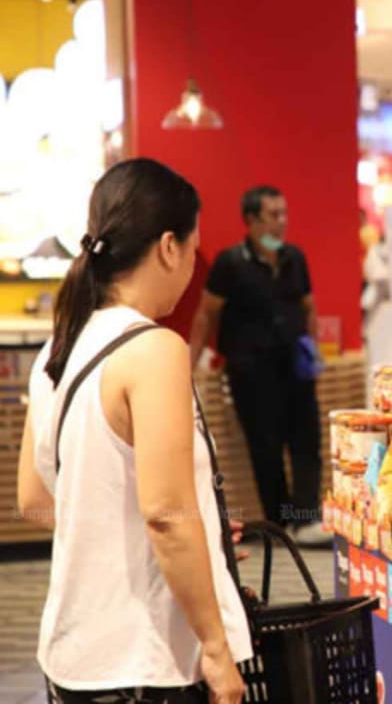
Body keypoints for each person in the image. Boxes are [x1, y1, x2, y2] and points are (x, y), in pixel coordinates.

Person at [17, 159, 250, 704]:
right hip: (147, 662)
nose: (193, 263)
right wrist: (216, 649)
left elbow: (34, 498)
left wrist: (197, 533)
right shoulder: (155, 350)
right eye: (193, 248)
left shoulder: (61, 347)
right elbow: (166, 515)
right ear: (169, 246)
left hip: (74, 654)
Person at [188, 185, 329, 546]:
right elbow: (207, 314)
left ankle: (306, 519)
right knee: (265, 449)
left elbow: (309, 307)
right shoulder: (229, 263)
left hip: (295, 367)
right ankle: (282, 523)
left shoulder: (294, 258)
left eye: (284, 213)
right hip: (251, 371)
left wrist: (312, 349)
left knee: (306, 442)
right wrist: (188, 363)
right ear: (251, 220)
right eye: (273, 215)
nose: (282, 222)